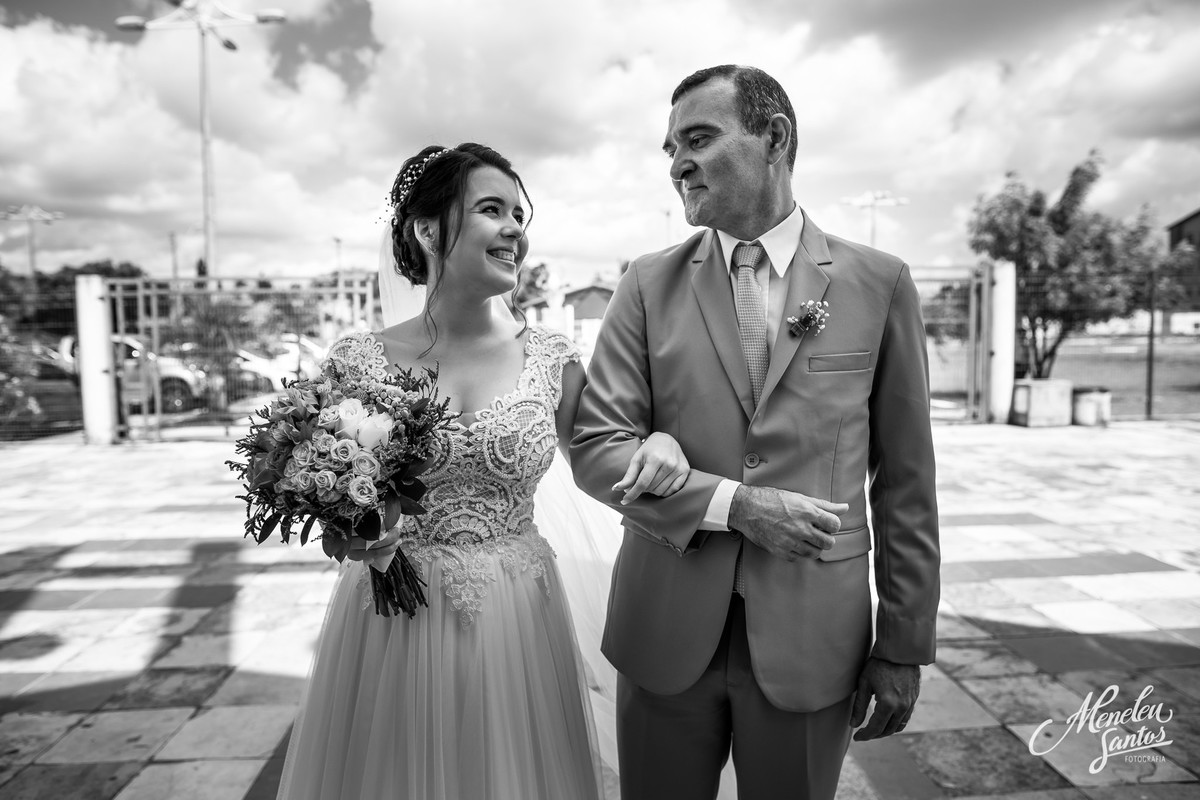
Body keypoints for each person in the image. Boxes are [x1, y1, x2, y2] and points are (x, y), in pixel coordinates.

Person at [570, 65, 941, 800]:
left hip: (815, 638)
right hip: (663, 631)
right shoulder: (645, 284)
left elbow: (906, 478)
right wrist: (735, 505)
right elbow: (595, 446)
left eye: (698, 138)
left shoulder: (879, 283)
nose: (677, 162)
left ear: (774, 138)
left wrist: (902, 644)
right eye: (671, 146)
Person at [275, 142, 690, 800]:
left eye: (521, 215)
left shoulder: (555, 358)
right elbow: (322, 486)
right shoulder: (357, 360)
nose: (516, 229)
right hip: (392, 619)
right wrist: (365, 533)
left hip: (516, 615)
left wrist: (662, 440)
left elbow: (609, 459)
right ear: (428, 229)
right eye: (492, 209)